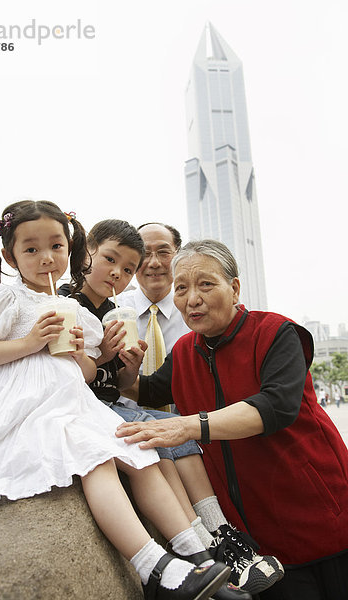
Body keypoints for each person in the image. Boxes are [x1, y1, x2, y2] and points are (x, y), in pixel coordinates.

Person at [0, 203, 232, 600]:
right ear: (10, 255)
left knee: (138, 453)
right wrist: (31, 343)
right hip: (22, 404)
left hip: (70, 399)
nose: (46, 258)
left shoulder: (74, 309)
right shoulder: (5, 299)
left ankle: (198, 557)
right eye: (31, 250)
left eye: (56, 246)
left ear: (70, 249)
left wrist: (85, 355)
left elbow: (83, 373)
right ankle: (154, 566)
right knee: (96, 458)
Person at [59, 219, 283, 597]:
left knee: (174, 427)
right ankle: (202, 549)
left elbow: (125, 382)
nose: (120, 273)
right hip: (91, 407)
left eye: (128, 267)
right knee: (153, 436)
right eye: (114, 261)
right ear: (88, 252)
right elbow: (82, 373)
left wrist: (122, 368)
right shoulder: (72, 305)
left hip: (225, 446)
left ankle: (220, 533)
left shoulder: (124, 308)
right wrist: (113, 363)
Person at [116, 239, 348, 600]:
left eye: (205, 284)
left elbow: (275, 406)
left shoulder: (275, 332)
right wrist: (125, 374)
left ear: (235, 287)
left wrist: (188, 425)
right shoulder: (184, 352)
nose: (192, 298)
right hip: (258, 539)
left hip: (319, 514)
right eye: (182, 288)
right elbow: (146, 391)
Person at [117, 222, 190, 411]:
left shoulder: (195, 313)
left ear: (178, 256)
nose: (154, 263)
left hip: (185, 429)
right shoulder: (113, 310)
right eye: (145, 253)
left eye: (164, 252)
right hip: (120, 427)